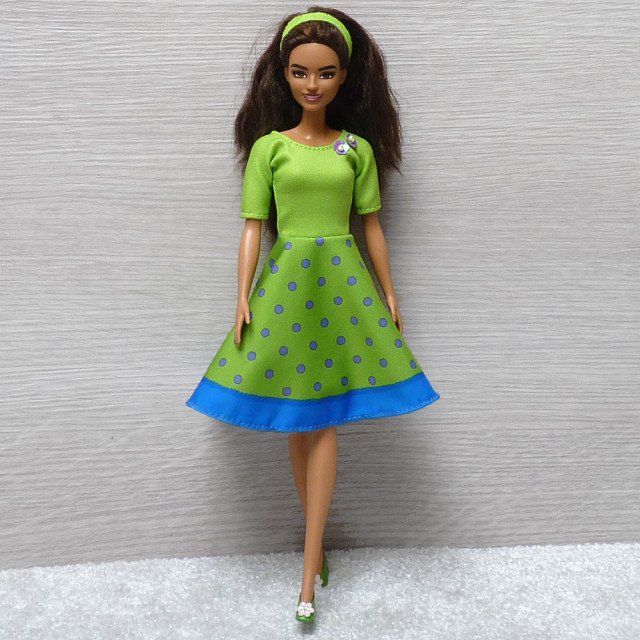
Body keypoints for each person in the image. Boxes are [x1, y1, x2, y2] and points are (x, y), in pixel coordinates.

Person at [187, 7, 439, 623]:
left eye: (325, 73)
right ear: (284, 75)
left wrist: (390, 291)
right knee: (300, 420)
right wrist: (242, 294)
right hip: (287, 285)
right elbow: (253, 226)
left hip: (342, 287)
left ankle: (308, 573)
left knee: (322, 421)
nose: (312, 84)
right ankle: (315, 550)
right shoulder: (270, 148)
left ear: (344, 77)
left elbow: (371, 225)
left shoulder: (355, 149)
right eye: (300, 72)